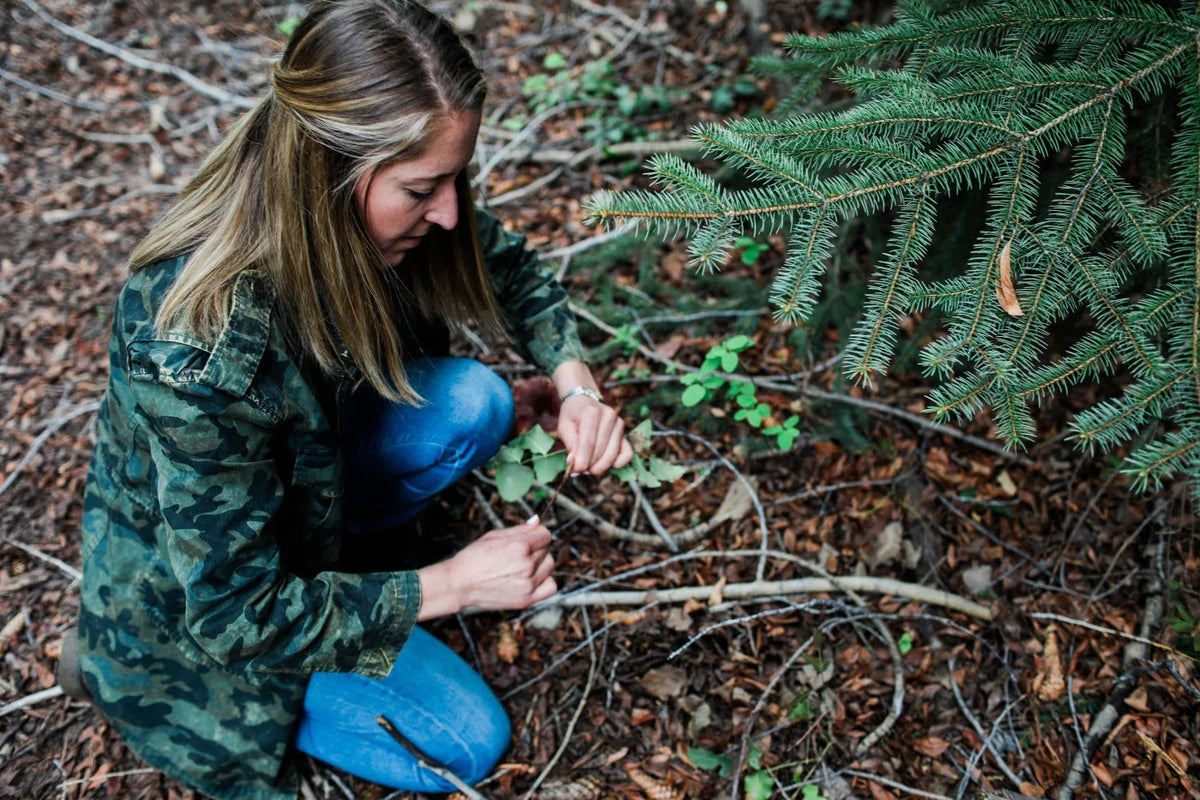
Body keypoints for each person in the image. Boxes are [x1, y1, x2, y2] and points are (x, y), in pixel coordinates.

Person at [75, 1, 632, 797]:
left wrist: (576, 389)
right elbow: (237, 617)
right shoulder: (197, 349)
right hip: (208, 625)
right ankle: (117, 671)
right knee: (467, 744)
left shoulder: (366, 215)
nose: (446, 212)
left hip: (308, 499)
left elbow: (509, 270)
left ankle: (358, 563)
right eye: (420, 189)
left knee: (477, 402)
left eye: (454, 179)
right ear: (326, 172)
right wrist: (454, 585)